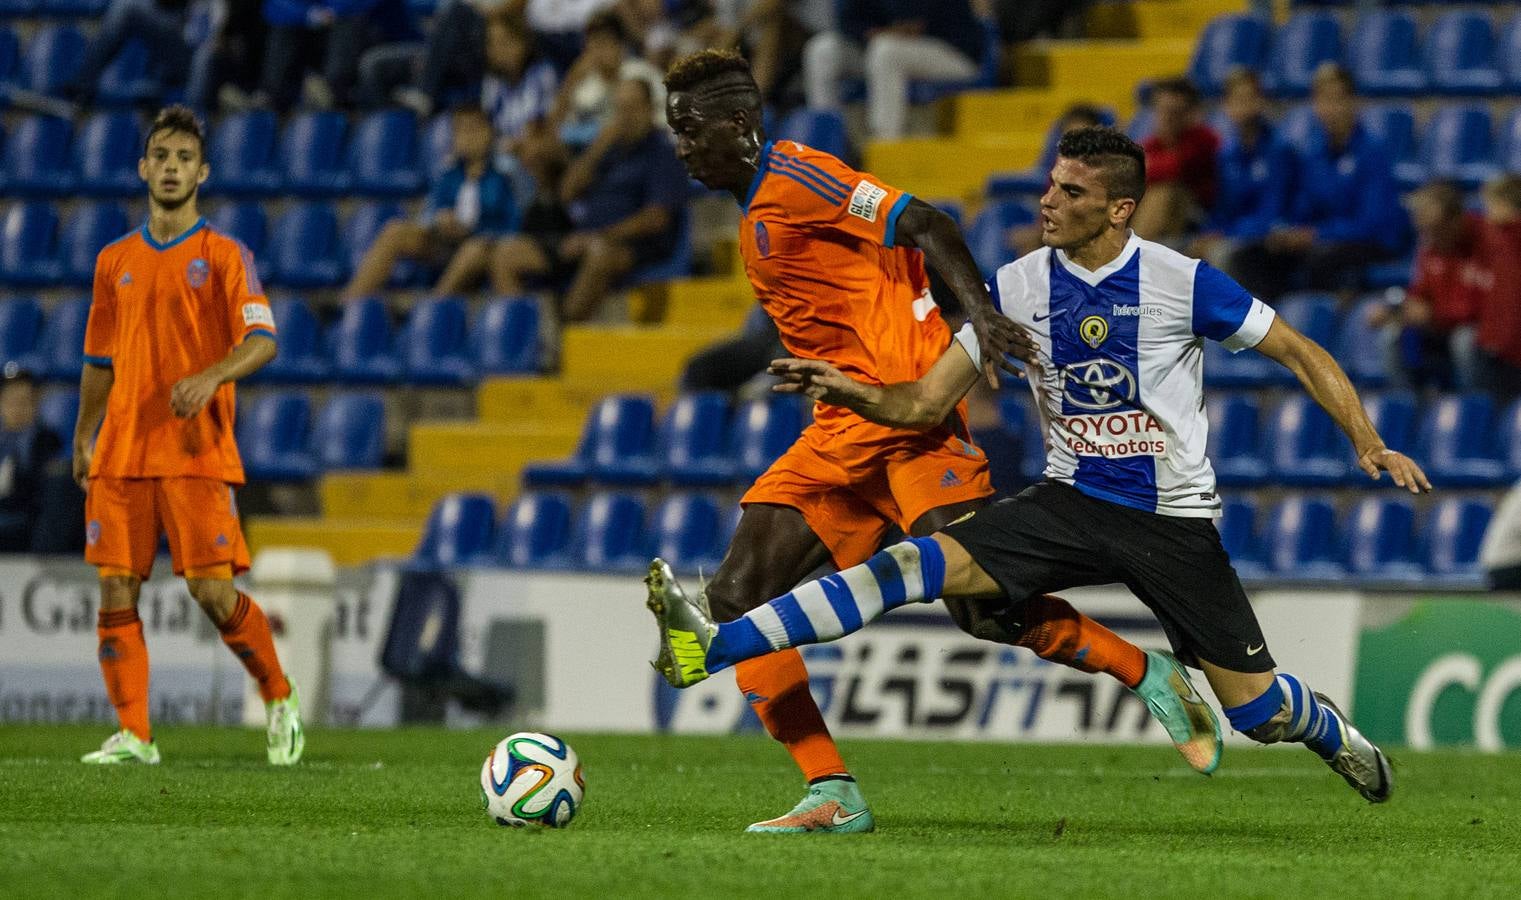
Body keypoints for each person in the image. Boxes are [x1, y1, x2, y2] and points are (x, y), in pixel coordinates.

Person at [651, 126, 1432, 807]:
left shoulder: (1180, 280)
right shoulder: (1016, 287)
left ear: (1117, 210)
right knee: (911, 569)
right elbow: (924, 406)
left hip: (1171, 523)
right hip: (1068, 501)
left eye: (1068, 190)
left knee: (1256, 715)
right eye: (1049, 184)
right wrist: (849, 389)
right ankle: (718, 645)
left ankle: (1325, 729)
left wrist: (1365, 439)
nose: (1046, 200)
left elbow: (1298, 350)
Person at [654, 51, 1219, 833]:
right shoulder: (754, 213)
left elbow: (925, 221)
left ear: (739, 125)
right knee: (735, 595)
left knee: (981, 610)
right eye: (671, 127)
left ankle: (1148, 670)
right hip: (838, 434)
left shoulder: (799, 176)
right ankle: (832, 792)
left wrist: (980, 314)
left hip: (912, 425)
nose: (677, 142)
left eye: (688, 126)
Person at [74, 106, 303, 766]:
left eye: (183, 159)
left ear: (202, 172)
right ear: (143, 167)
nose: (171, 167)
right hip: (121, 450)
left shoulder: (225, 255)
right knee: (116, 584)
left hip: (195, 451)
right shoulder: (112, 260)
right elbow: (98, 361)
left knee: (211, 593)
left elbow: (263, 339)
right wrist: (84, 433)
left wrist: (211, 376)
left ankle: (278, 695)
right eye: (161, 156)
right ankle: (136, 736)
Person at [489, 77, 687, 322]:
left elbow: (656, 219)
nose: (625, 116)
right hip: (583, 239)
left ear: (650, 109)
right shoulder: (610, 151)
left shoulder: (663, 154)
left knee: (598, 255)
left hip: (631, 247)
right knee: (506, 254)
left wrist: (600, 236)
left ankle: (563, 336)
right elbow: (566, 192)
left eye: (632, 107)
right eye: (620, 108)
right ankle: (526, 334)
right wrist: (599, 146)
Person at [1228, 63, 1403, 300]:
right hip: (1322, 241)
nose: (1331, 109)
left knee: (1321, 259)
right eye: (1324, 101)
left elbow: (1373, 224)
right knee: (1252, 257)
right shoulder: (1313, 154)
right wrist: (1286, 234)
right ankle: (1266, 329)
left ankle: (1321, 327)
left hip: (1368, 243)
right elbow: (1302, 210)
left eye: (1338, 100)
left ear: (1354, 103)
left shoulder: (1373, 153)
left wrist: (1317, 234)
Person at [341, 105, 516, 301]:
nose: (468, 137)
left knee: (473, 248)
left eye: (474, 129)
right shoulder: (448, 173)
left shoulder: (507, 173)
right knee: (395, 231)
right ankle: (349, 303)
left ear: (489, 133)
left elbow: (516, 224)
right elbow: (429, 212)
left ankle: (432, 308)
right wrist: (439, 221)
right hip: (446, 244)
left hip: (484, 247)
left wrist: (476, 231)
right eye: (461, 130)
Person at [802, 0, 986, 139]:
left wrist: (891, 32)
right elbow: (847, 20)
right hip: (889, 48)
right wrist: (871, 33)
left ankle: (885, 140)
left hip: (954, 53)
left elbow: (917, 21)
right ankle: (825, 136)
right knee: (821, 49)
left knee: (885, 50)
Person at [1366, 180, 1482, 392]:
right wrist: (1396, 311)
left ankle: (1476, 409)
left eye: (1435, 231)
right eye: (1423, 232)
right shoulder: (1429, 245)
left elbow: (1486, 306)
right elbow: (1420, 292)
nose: (1428, 239)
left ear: (1456, 220)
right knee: (1391, 333)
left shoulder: (1485, 241)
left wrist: (1432, 315)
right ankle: (1404, 406)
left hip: (1473, 330)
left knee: (1464, 340)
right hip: (1438, 326)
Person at [1189, 68, 1294, 272]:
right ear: (1226, 106)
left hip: (1266, 243)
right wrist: (1210, 233)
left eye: (1249, 98)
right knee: (1180, 252)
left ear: (1261, 102)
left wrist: (1226, 234)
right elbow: (1221, 210)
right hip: (1233, 235)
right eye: (1236, 99)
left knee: (1221, 254)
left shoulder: (1279, 151)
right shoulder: (1226, 155)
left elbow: (1273, 212)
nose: (1243, 106)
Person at [549, 10, 665, 148]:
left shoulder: (642, 73)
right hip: (605, 159)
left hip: (647, 147)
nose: (597, 52)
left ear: (620, 45)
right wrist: (571, 80)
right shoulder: (586, 86)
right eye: (591, 45)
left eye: (603, 43)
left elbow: (663, 121)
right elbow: (556, 129)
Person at [1129, 77, 1218, 245]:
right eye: (1162, 110)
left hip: (1200, 215)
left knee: (1163, 192)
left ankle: (1132, 256)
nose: (1167, 118)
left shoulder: (1204, 139)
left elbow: (1175, 169)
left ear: (1191, 114)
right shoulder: (1152, 143)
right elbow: (1130, 176)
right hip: (1163, 217)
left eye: (1175, 112)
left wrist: (1144, 168)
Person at [0, 364, 62, 552]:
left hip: (23, 516)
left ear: (36, 403)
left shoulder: (45, 439)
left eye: (24, 401)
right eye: (11, 401)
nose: (17, 408)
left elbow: (40, 492)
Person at [1475, 174, 1521, 402]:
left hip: (1510, 340)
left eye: (1490, 206)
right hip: (1502, 339)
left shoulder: (1509, 241)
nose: (1487, 214)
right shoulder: (1499, 242)